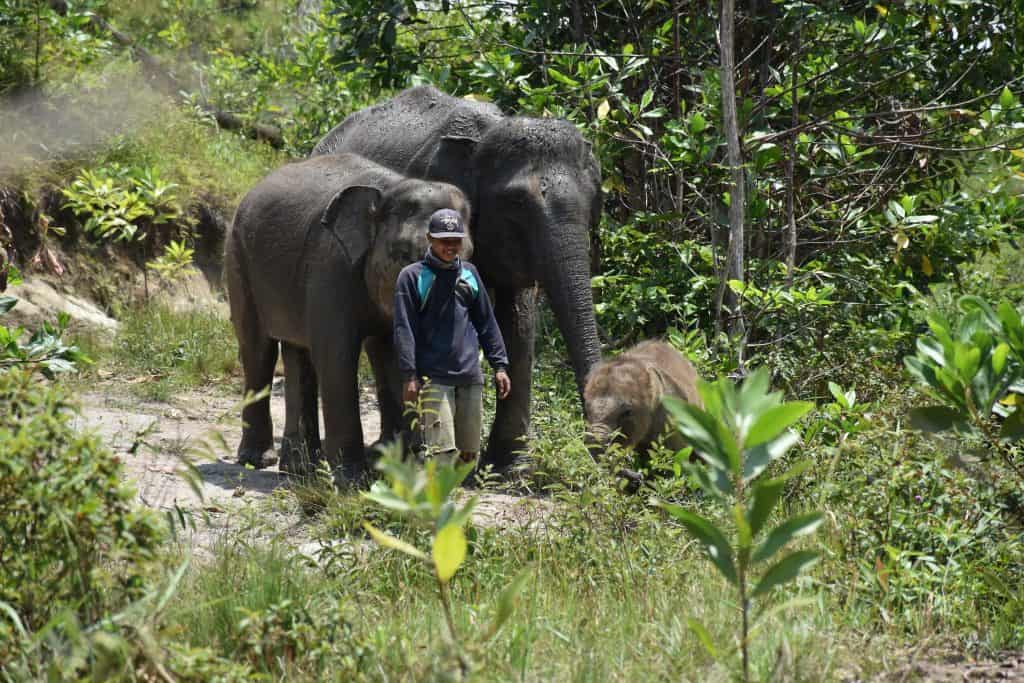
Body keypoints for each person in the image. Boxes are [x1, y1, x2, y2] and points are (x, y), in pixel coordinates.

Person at [393, 208, 511, 465]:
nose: (450, 246)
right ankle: (435, 491)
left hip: (469, 377)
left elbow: (486, 322)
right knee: (441, 455)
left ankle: (453, 490)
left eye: (456, 240)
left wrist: (500, 365)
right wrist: (409, 375)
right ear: (429, 239)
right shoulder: (412, 277)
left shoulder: (469, 273)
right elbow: (404, 328)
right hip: (433, 379)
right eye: (444, 240)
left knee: (469, 455)